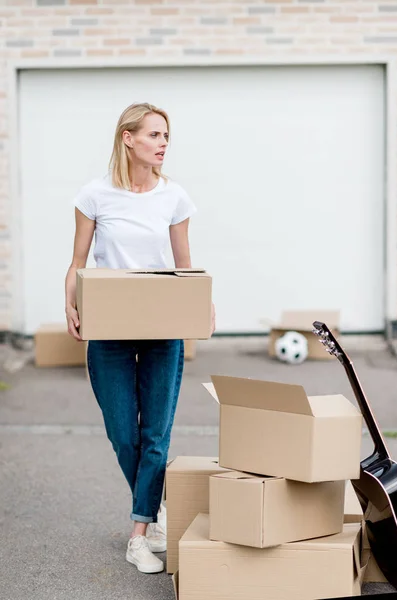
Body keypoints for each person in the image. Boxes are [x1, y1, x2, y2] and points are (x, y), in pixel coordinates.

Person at [64, 102, 215, 574]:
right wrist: (70, 303)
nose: (163, 143)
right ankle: (164, 504)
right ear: (128, 138)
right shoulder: (94, 195)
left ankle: (139, 532)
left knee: (156, 435)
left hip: (162, 329)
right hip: (109, 329)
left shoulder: (175, 198)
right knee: (123, 434)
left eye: (166, 135)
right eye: (154, 135)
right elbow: (78, 263)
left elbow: (184, 265)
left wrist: (201, 302)